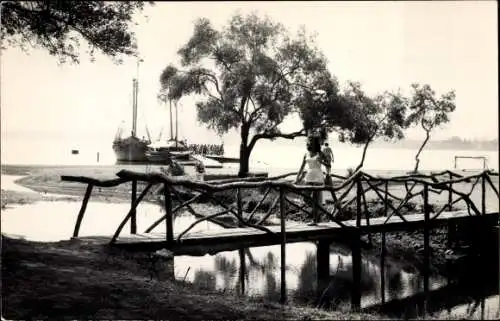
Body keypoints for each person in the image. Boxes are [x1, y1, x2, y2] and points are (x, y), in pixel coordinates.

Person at [296, 136, 324, 225]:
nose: (308, 143)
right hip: (308, 177)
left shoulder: (320, 153)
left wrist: (323, 162)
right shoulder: (306, 153)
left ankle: (315, 220)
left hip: (318, 177)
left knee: (316, 198)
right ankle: (319, 209)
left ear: (314, 143)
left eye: (309, 142)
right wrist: (297, 178)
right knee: (306, 198)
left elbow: (328, 164)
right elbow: (301, 166)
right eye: (308, 142)